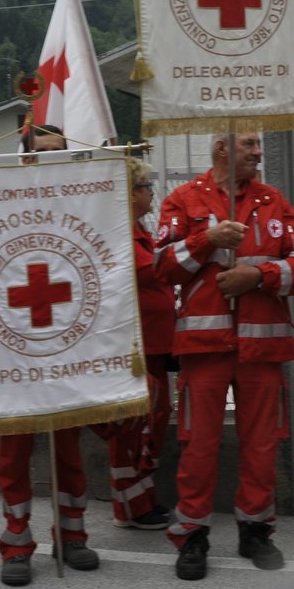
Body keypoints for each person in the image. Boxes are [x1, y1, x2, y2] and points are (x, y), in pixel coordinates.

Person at [154, 133, 294, 580]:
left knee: (262, 446)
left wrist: (258, 276)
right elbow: (162, 267)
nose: (258, 152)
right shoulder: (182, 200)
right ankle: (192, 535)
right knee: (199, 445)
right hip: (203, 350)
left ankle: (256, 530)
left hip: (262, 349)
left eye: (260, 144)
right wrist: (207, 239)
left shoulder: (274, 201)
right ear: (221, 147)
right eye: (248, 143)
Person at [0, 125, 103, 586]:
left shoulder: (79, 204)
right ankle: (15, 542)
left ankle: (72, 535)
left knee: (68, 449)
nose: (50, 160)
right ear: (25, 158)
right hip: (15, 342)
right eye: (41, 153)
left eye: (59, 152)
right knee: (13, 452)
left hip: (66, 341)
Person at [99, 155, 173, 531]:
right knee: (131, 428)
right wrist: (196, 248)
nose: (151, 193)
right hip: (135, 346)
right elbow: (152, 269)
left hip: (155, 345)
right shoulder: (118, 233)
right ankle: (131, 506)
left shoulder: (139, 229)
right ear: (128, 194)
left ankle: (144, 497)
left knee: (152, 422)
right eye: (146, 187)